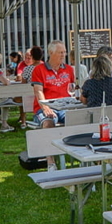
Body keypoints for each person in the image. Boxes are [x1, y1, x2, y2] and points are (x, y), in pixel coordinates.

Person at [31, 40, 75, 171]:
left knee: (80, 119)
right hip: (45, 107)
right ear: (51, 53)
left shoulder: (69, 69)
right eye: (60, 52)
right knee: (49, 122)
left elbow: (72, 89)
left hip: (65, 107)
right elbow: (38, 91)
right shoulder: (39, 69)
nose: (63, 55)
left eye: (65, 52)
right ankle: (50, 161)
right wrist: (45, 107)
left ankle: (82, 156)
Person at [17, 46, 43, 129]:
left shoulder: (27, 69)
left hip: (29, 97)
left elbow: (23, 84)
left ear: (32, 56)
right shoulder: (46, 68)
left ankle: (23, 121)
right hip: (43, 95)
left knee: (21, 96)